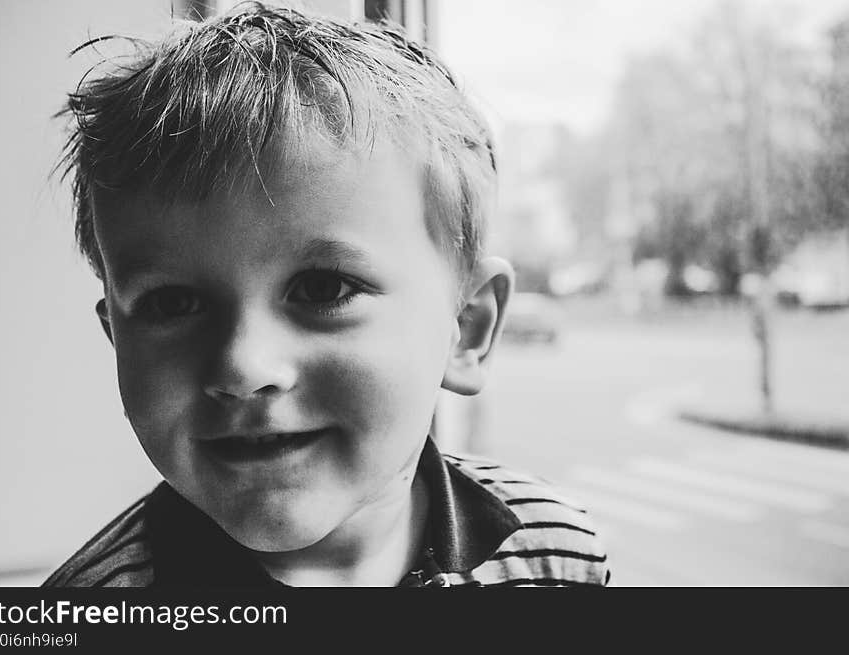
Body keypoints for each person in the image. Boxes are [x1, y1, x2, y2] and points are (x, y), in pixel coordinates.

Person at [43, 2, 609, 587]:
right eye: (171, 303)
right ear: (117, 338)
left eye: (323, 288)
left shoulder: (554, 551)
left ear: (464, 328)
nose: (243, 367)